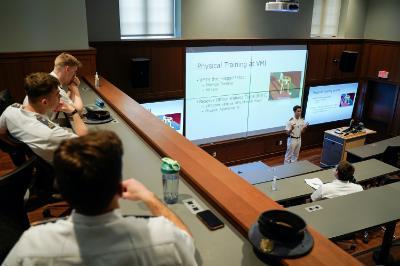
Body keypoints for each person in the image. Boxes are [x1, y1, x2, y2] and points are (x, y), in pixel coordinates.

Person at [3, 131, 197, 265]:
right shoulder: (165, 238)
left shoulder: (32, 246)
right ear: (119, 185)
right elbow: (187, 242)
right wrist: (150, 198)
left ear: (62, 189)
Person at [0, 72, 88, 163]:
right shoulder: (52, 133)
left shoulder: (10, 110)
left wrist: (17, 146)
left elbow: (1, 133)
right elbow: (85, 141)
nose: (61, 96)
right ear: (44, 102)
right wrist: (74, 112)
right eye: (58, 94)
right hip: (63, 168)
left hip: (41, 162)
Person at [23, 52, 84, 119]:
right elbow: (78, 112)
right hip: (40, 125)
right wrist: (75, 88)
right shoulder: (53, 87)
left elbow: (67, 103)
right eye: (74, 71)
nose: (74, 75)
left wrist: (70, 90)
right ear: (67, 69)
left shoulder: (48, 80)